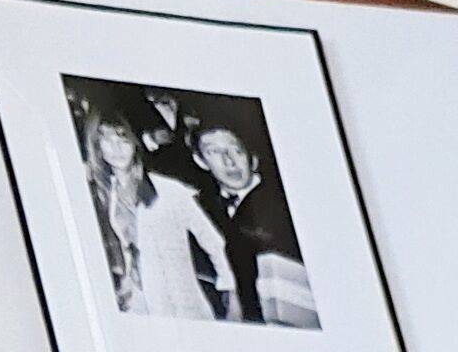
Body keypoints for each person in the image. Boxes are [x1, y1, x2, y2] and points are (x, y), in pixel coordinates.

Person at [76, 101, 235, 322]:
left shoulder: (169, 191)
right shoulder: (108, 196)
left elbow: (213, 242)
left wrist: (231, 293)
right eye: (106, 140)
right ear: (97, 147)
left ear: (134, 142)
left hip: (183, 307)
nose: (116, 148)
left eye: (122, 138)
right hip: (140, 306)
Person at [190, 117, 315, 330]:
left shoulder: (287, 202)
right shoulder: (199, 208)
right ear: (201, 161)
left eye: (236, 150)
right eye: (214, 152)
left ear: (252, 158)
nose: (229, 161)